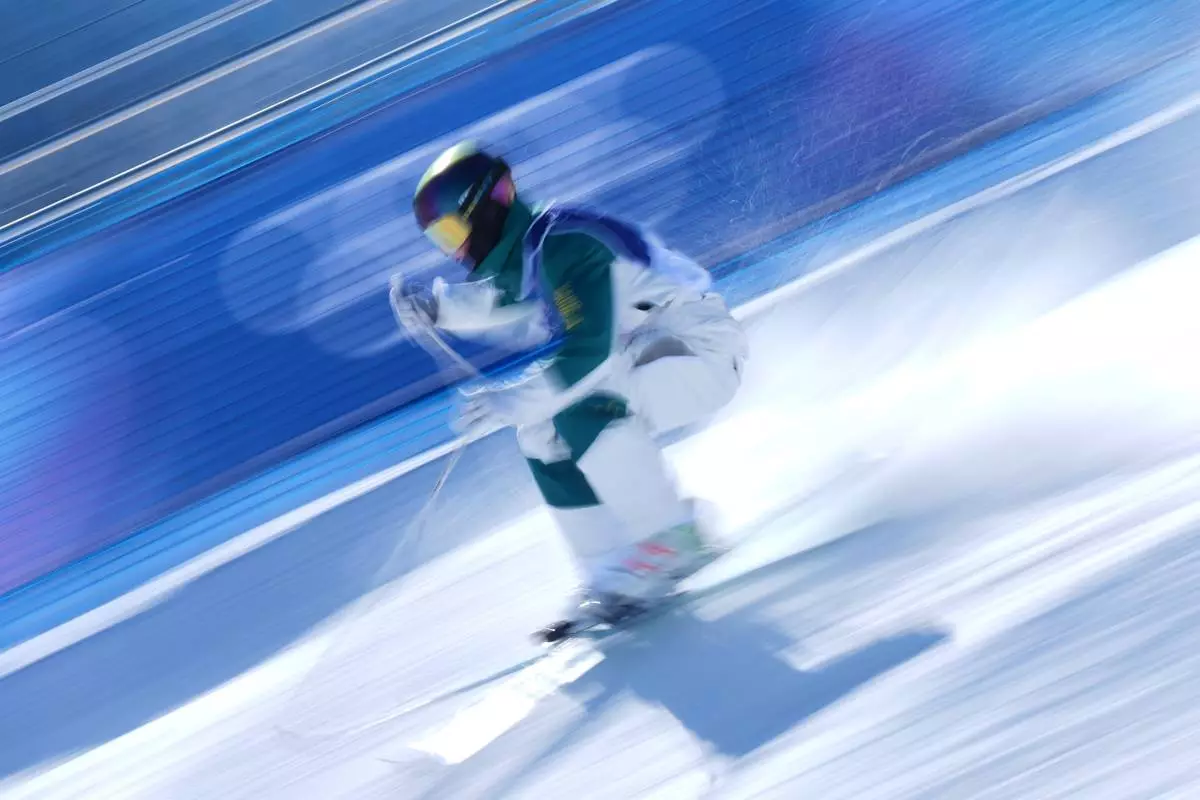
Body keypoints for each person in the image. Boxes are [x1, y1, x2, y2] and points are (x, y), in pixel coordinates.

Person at [390, 142, 748, 625]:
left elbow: (589, 353)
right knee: (540, 432)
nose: (454, 250)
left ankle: (673, 537)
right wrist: (439, 308)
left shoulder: (564, 241)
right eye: (440, 240)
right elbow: (503, 297)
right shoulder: (536, 245)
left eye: (453, 230)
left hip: (698, 351)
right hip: (650, 349)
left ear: (485, 207)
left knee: (582, 405)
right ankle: (608, 567)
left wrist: (509, 400)